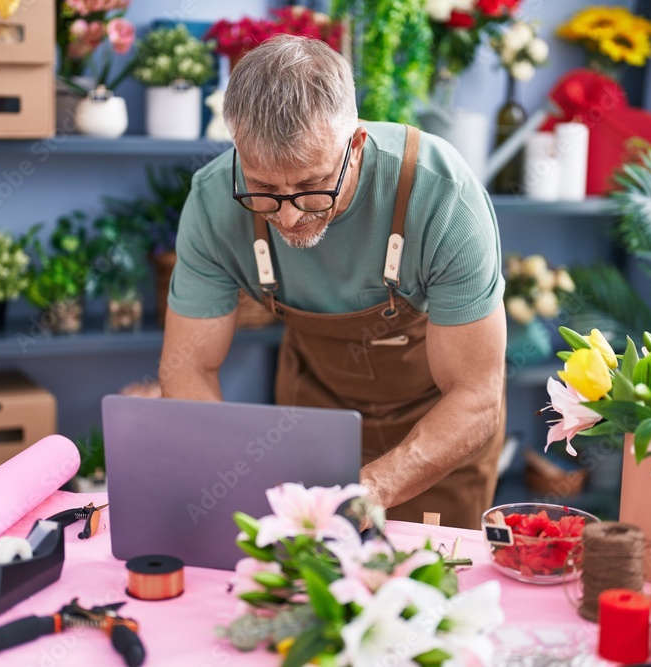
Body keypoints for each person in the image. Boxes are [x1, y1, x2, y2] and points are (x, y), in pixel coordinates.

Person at [159, 34, 506, 529]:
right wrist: (225, 476)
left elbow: (475, 395)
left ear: (357, 145)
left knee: (429, 591)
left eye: (311, 186)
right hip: (311, 417)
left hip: (439, 431)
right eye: (262, 188)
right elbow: (187, 367)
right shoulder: (214, 201)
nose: (291, 215)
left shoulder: (442, 194)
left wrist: (372, 491)